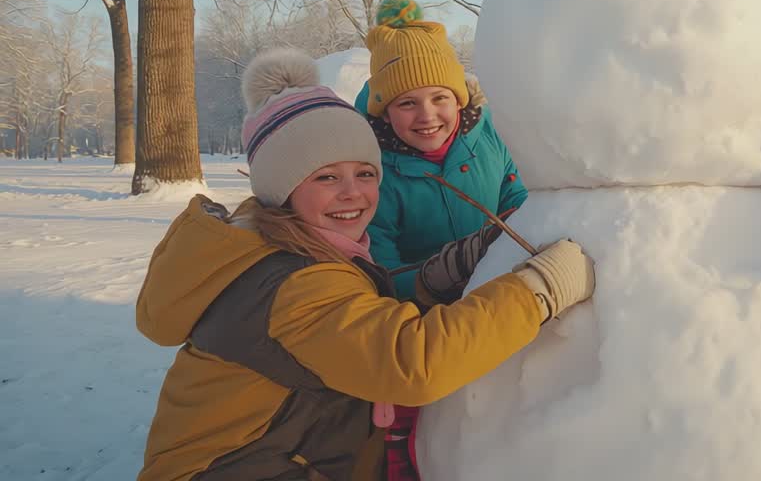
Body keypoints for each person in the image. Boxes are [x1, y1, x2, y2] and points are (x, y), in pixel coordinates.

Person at [136, 48, 593, 481]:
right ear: (282, 188)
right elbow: (411, 362)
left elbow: (357, 317)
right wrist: (539, 289)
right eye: (326, 177)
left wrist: (439, 274)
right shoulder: (288, 281)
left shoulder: (282, 245)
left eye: (366, 173)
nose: (352, 193)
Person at [356, 0, 527, 302]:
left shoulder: (490, 133)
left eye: (440, 98)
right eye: (407, 103)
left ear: (459, 100)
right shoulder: (370, 170)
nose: (427, 116)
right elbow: (381, 267)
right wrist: (434, 281)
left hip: (501, 289)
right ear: (385, 113)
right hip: (428, 311)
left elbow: (517, 200)